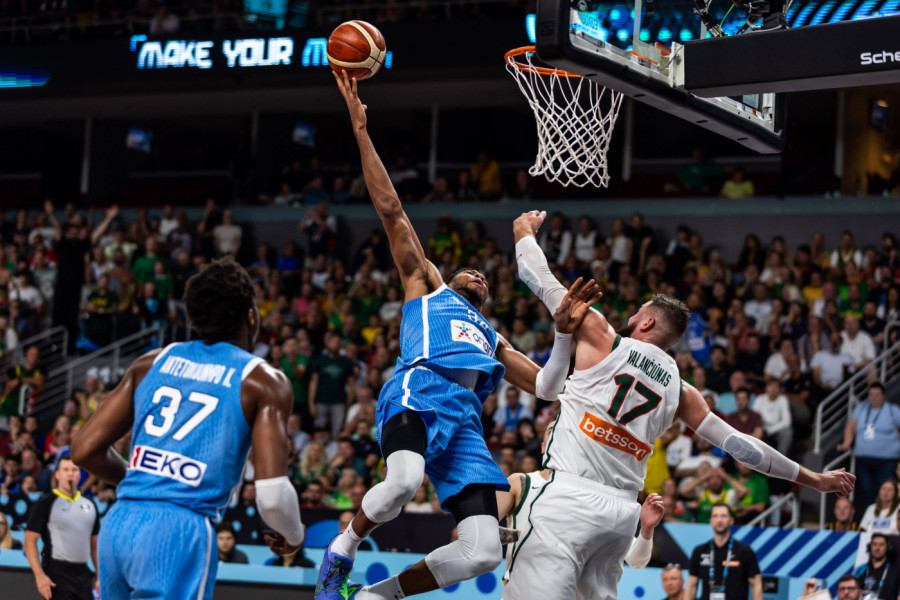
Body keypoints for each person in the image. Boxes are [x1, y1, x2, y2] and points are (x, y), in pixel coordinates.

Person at [316, 72, 598, 600]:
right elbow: (392, 211)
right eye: (474, 271)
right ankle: (343, 550)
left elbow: (547, 388)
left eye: (488, 279)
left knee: (484, 551)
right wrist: (360, 131)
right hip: (417, 393)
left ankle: (379, 596)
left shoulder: (492, 338)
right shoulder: (427, 287)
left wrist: (562, 336)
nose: (481, 276)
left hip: (464, 422)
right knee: (401, 484)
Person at [504, 209, 854, 600]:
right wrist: (814, 479)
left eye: (637, 313)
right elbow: (741, 446)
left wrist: (522, 232)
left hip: (569, 495)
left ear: (649, 323)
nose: (630, 317)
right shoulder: (683, 392)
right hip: (620, 516)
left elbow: (537, 277)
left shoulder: (602, 335)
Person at [70, 257, 305, 600]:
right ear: (250, 316)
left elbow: (83, 449)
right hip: (179, 531)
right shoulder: (263, 380)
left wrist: (143, 481)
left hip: (119, 523)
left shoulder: (151, 362)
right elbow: (272, 496)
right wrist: (294, 534)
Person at [24, 456, 99, 600]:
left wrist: (100, 576)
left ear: (79, 474)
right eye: (65, 470)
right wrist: (39, 575)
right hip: (56, 572)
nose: (70, 473)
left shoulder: (90, 504)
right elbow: (29, 541)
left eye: (74, 470)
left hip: (83, 572)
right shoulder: (46, 502)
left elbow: (94, 544)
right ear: (57, 474)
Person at [839, 384, 900, 511]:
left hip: (887, 459)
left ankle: (886, 516)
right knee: (867, 490)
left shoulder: (892, 410)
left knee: (885, 490)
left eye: (877, 394)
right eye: (871, 394)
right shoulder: (861, 408)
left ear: (883, 396)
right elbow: (851, 427)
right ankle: (871, 517)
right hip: (864, 457)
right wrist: (847, 442)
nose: (874, 397)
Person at [685, 503, 762, 600]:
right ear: (711, 521)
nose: (719, 520)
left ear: (731, 521)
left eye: (723, 516)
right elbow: (692, 585)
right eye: (715, 516)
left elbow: (756, 584)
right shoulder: (700, 551)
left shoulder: (744, 551)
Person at [854, 534, 900, 600]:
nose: (877, 548)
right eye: (874, 544)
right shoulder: (860, 570)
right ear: (870, 547)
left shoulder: (896, 572)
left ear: (888, 547)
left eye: (881, 545)